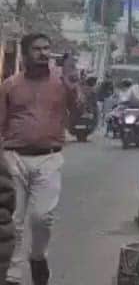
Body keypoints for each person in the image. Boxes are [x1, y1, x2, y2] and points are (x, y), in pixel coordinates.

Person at [0, 33, 81, 285]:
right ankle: (12, 275)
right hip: (14, 157)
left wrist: (72, 85)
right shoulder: (10, 85)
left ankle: (38, 257)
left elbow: (78, 111)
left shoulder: (61, 83)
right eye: (37, 49)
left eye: (47, 48)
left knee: (42, 217)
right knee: (15, 220)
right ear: (25, 54)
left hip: (49, 158)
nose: (43, 53)